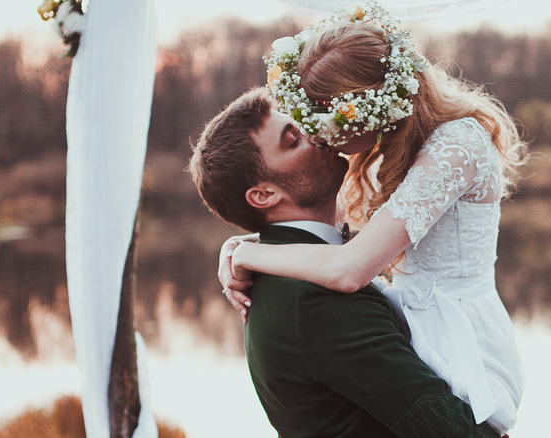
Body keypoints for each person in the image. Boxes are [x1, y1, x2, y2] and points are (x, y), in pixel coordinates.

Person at [219, 2, 527, 434]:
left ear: (370, 105)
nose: (321, 132)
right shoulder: (398, 149)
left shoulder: (454, 145)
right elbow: (358, 249)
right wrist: (240, 246)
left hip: (462, 336)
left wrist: (247, 253)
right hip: (420, 316)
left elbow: (350, 268)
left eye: (326, 113)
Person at [188, 86, 500, 437]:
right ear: (264, 195)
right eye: (293, 140)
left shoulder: (288, 268)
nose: (316, 133)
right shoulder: (316, 300)